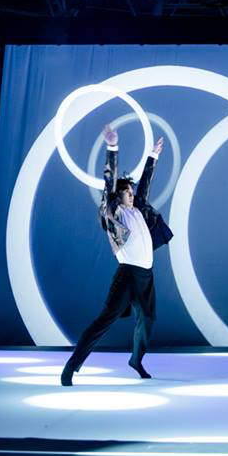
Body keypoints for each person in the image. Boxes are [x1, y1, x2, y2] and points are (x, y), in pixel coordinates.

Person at [60, 124, 173, 385]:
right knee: (105, 320)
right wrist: (112, 146)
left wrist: (153, 156)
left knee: (148, 319)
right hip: (128, 274)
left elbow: (145, 184)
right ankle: (71, 366)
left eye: (132, 192)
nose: (132, 195)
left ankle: (136, 359)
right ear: (118, 195)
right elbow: (109, 182)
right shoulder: (114, 212)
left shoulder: (139, 209)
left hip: (146, 276)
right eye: (127, 192)